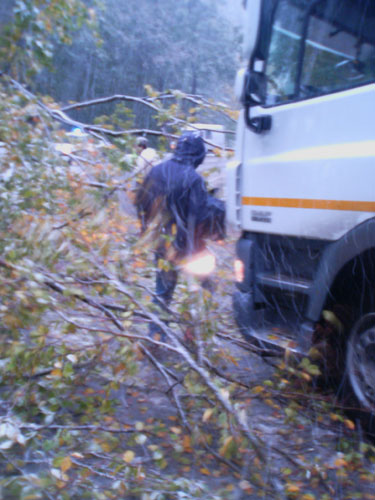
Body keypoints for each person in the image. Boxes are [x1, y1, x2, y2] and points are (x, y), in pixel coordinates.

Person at [135, 131, 225, 338]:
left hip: (162, 245)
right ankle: (194, 334)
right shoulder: (193, 179)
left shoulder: (156, 172)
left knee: (163, 294)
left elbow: (141, 203)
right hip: (189, 248)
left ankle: (156, 337)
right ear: (197, 154)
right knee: (204, 290)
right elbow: (200, 215)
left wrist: (146, 232)